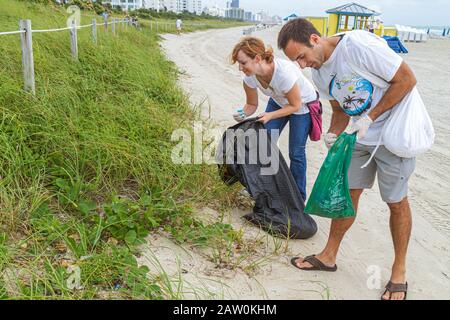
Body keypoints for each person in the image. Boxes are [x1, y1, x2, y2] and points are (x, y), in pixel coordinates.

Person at [278, 18, 420, 300]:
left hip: (393, 134)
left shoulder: (357, 46)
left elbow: (407, 79)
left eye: (302, 57)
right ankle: (329, 256)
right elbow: (339, 107)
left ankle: (399, 272)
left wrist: (371, 117)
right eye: (297, 62)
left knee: (395, 202)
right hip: (358, 136)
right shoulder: (318, 73)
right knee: (348, 194)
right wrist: (333, 134)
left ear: (315, 40)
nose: (302, 66)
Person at [231, 36, 319, 201]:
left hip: (302, 105)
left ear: (257, 58)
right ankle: (257, 188)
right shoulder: (249, 78)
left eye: (243, 63)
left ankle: (298, 197)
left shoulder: (283, 73)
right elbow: (251, 104)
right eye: (239, 63)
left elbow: (295, 105)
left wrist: (270, 115)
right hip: (279, 100)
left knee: (296, 152)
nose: (240, 68)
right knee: (263, 144)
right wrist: (242, 113)